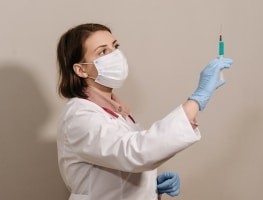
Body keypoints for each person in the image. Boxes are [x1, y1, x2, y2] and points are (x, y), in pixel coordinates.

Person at [56, 23, 233, 200]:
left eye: (115, 46)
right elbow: (134, 152)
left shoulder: (119, 113)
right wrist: (197, 99)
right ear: (81, 69)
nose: (115, 55)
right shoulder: (79, 116)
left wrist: (150, 186)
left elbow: (121, 167)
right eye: (103, 52)